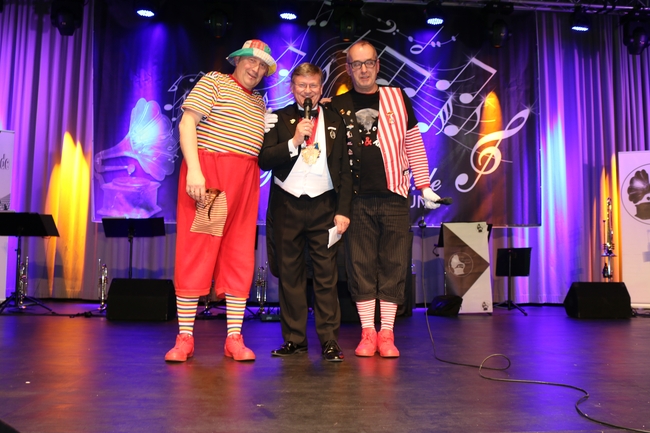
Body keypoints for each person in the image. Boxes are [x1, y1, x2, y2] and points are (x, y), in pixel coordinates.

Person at [165, 40, 278, 363]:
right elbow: (187, 122)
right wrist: (195, 170)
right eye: (251, 61)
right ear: (237, 60)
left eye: (262, 66)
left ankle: (234, 338)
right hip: (213, 178)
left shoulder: (258, 102)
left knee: (238, 254)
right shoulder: (215, 81)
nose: (255, 69)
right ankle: (185, 337)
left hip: (245, 181)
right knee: (199, 250)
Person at [329, 40, 441, 358]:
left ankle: (387, 333)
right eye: (356, 64)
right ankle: (368, 332)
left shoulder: (398, 97)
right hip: (356, 199)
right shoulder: (338, 105)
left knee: (394, 263)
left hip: (394, 195)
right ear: (348, 69)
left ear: (377, 65)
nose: (363, 69)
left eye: (369, 63)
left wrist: (424, 185)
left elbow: (414, 143)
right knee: (360, 264)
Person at [259, 63, 352, 362]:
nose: (307, 91)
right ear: (292, 88)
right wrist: (294, 141)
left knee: (326, 276)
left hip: (324, 206)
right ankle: (294, 340)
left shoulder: (336, 119)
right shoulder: (279, 118)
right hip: (287, 205)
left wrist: (343, 210)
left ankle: (329, 341)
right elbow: (264, 159)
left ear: (321, 88)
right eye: (302, 85)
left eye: (313, 86)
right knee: (290, 276)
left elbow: (345, 170)